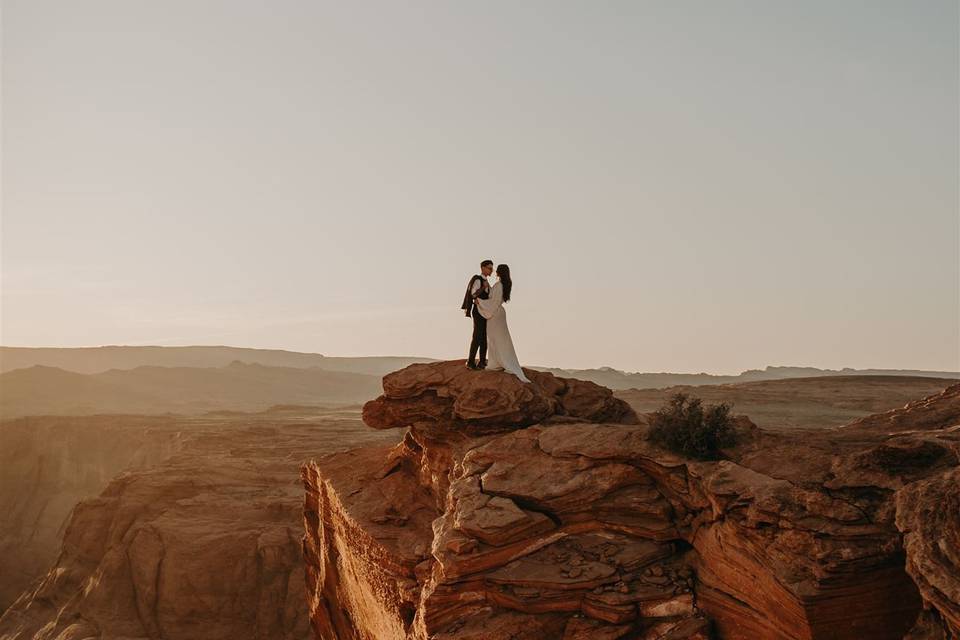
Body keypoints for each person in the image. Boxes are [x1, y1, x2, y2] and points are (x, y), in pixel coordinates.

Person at [476, 264, 530, 382]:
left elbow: (493, 302)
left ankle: (498, 363)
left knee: (495, 338)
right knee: (499, 338)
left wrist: (479, 302)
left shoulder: (499, 285)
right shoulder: (503, 285)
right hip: (499, 313)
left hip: (495, 314)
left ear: (499, 272)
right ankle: (496, 362)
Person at [461, 259, 493, 369]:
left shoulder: (487, 282)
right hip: (478, 311)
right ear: (483, 268)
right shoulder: (477, 280)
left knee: (484, 336)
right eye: (489, 268)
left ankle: (482, 361)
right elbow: (473, 294)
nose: (491, 270)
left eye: (492, 268)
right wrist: (483, 288)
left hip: (485, 312)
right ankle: (470, 361)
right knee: (477, 336)